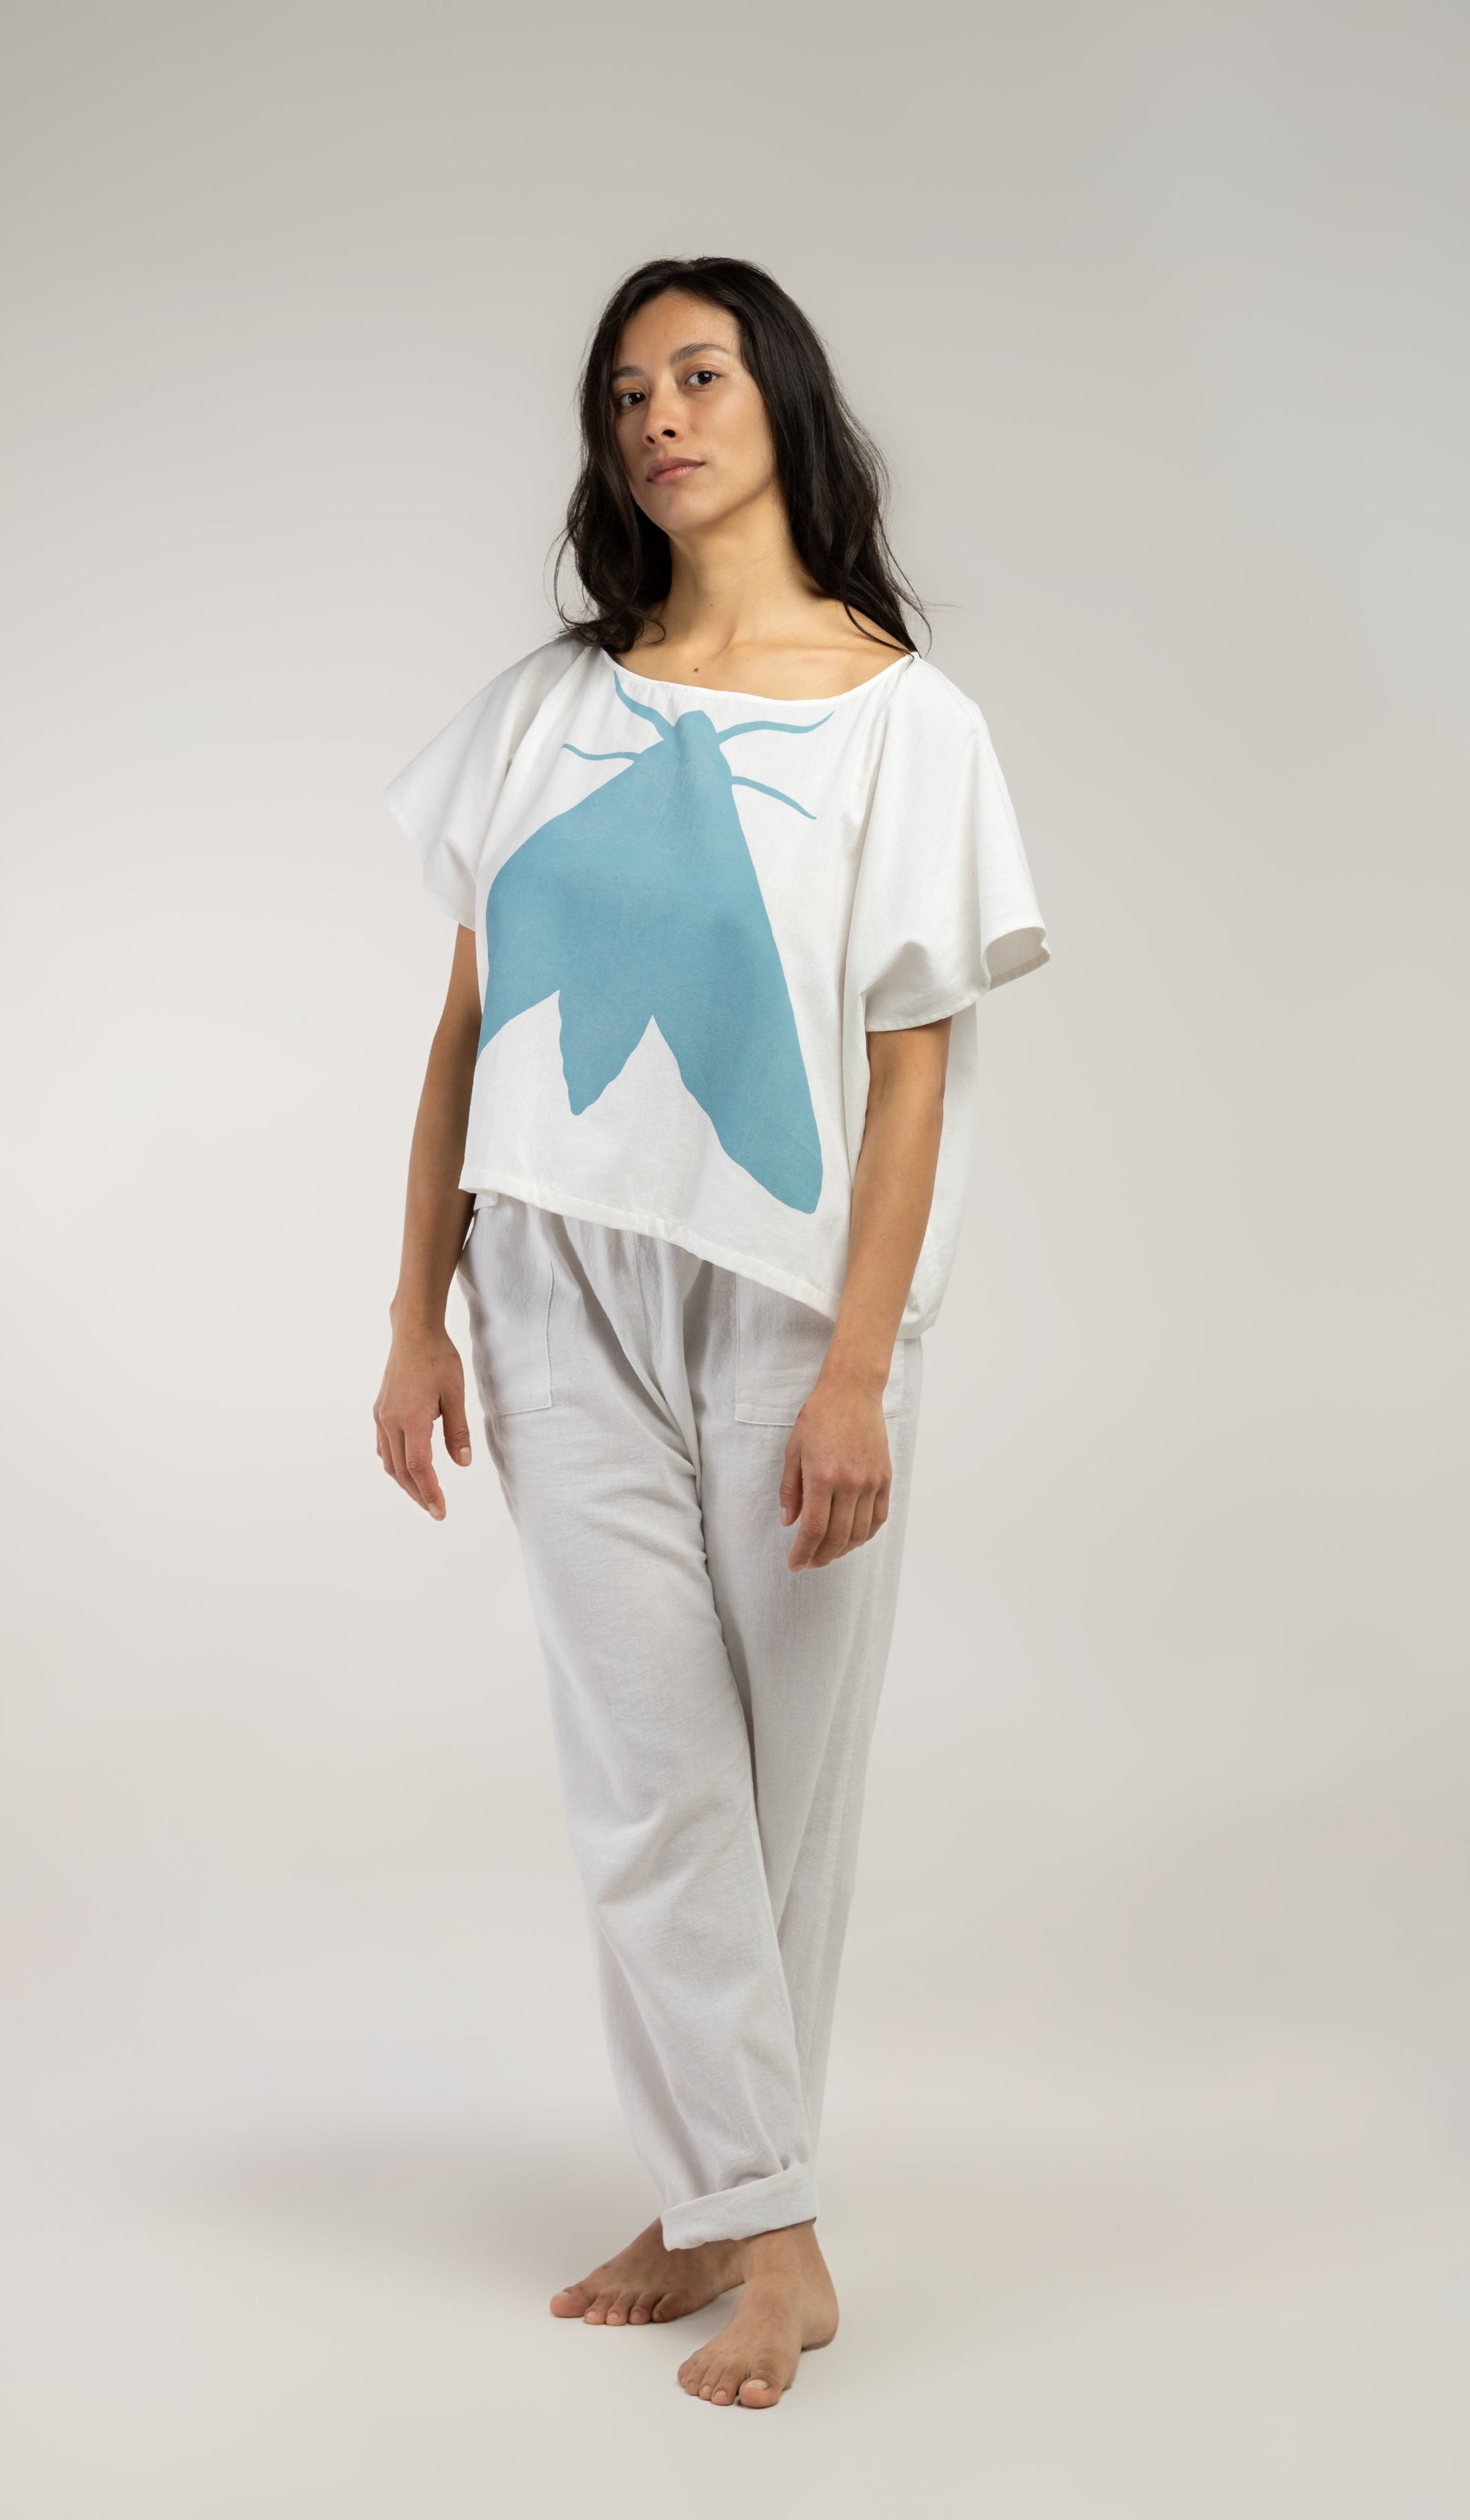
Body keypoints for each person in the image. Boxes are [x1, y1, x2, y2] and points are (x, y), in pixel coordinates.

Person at [375, 254, 1048, 2410]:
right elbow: (467, 1027)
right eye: (625, 391)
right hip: (548, 1282)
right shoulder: (545, 707)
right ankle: (769, 2231)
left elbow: (916, 1074)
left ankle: (720, 2204)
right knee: (649, 1778)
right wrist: (414, 1311)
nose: (657, 415)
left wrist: (859, 1364)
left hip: (790, 1301)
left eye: (699, 374)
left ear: (783, 407)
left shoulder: (906, 723)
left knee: (780, 1791)